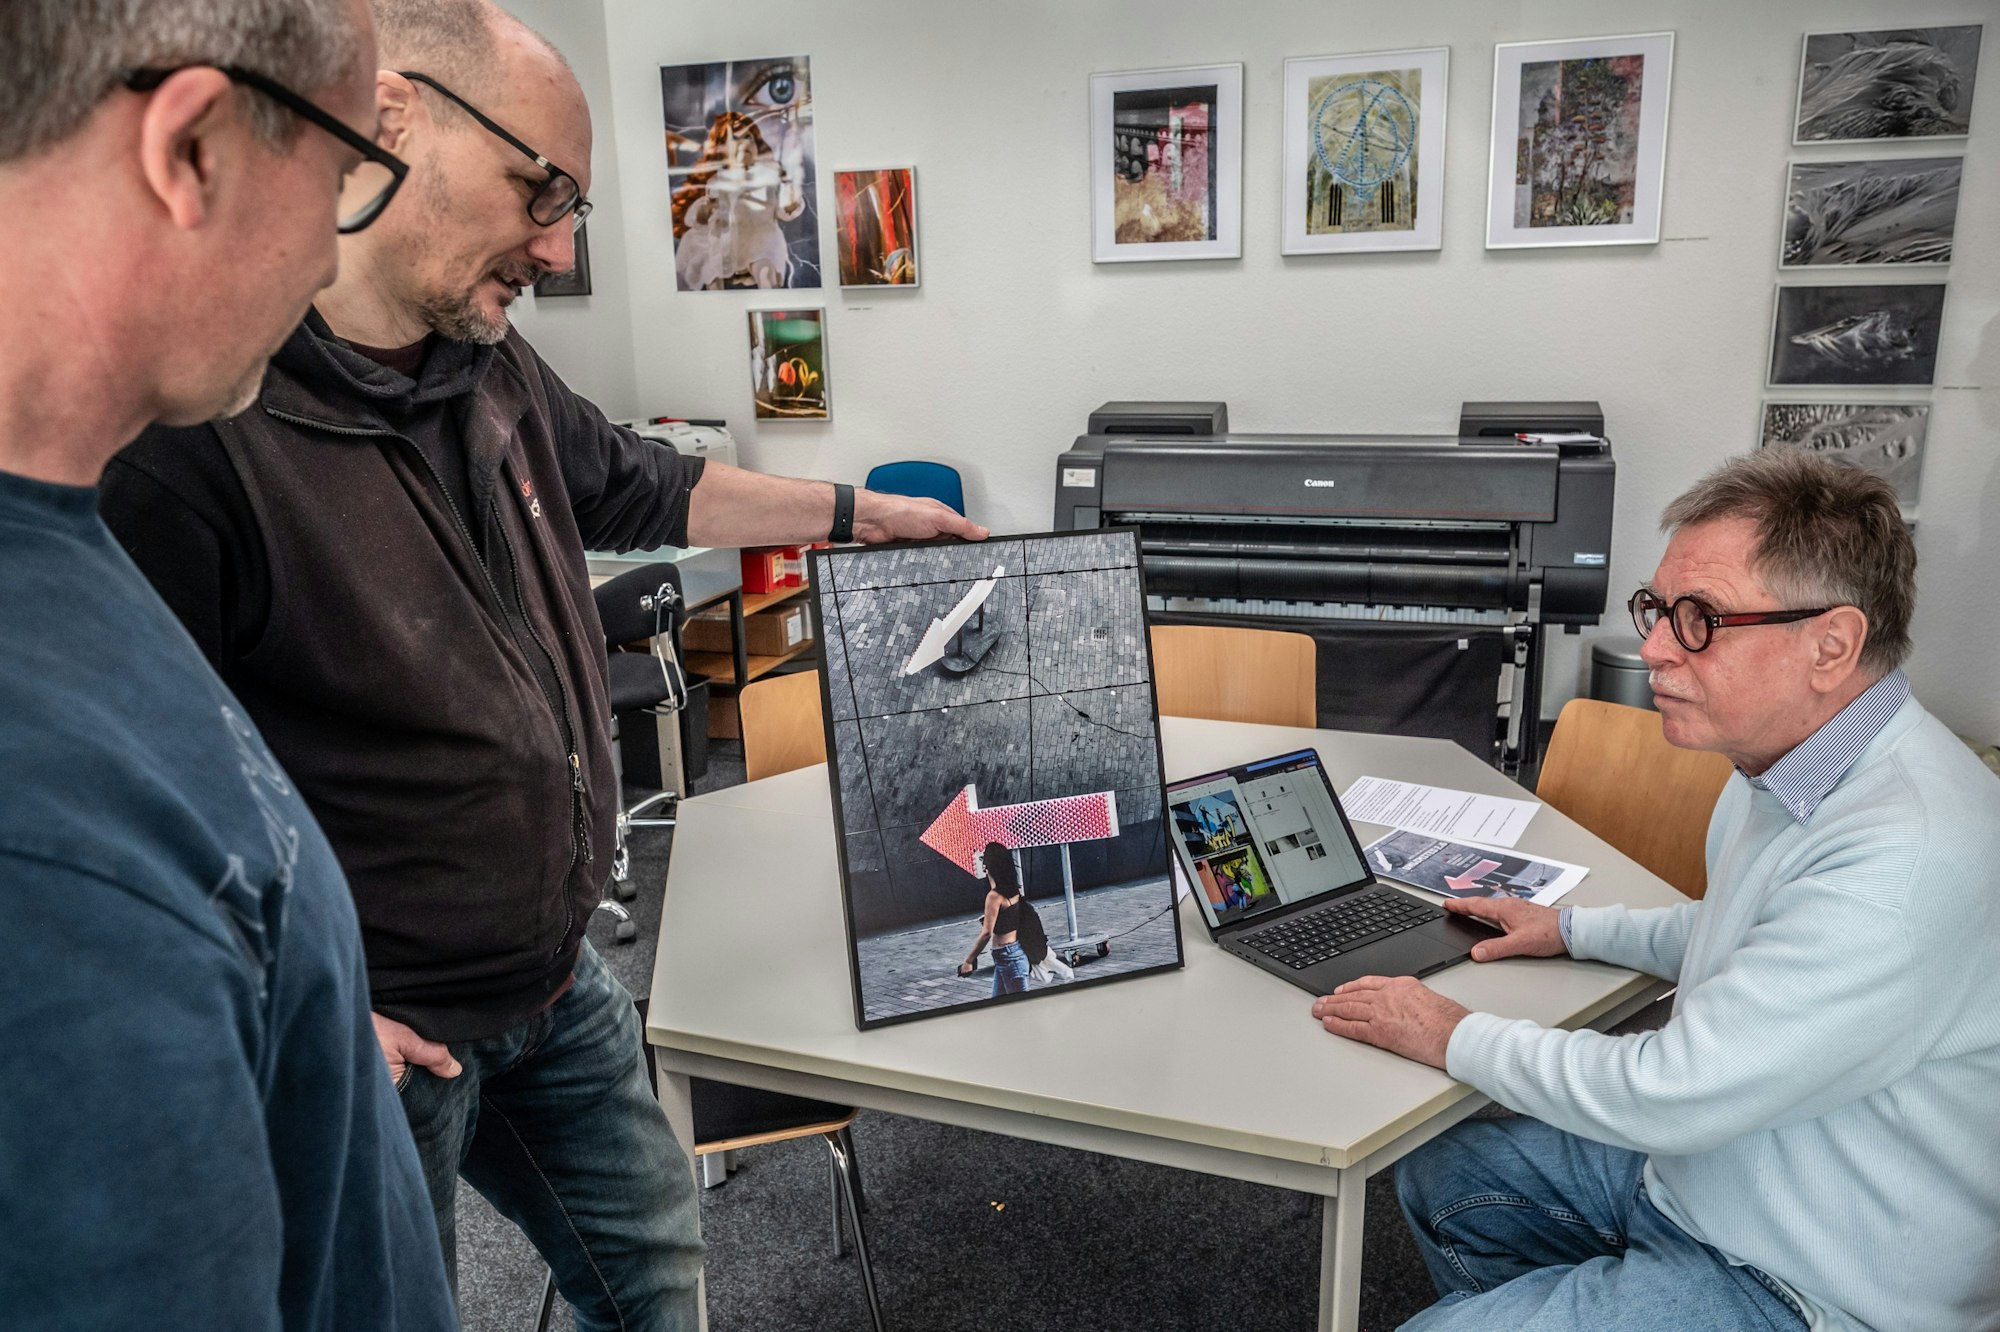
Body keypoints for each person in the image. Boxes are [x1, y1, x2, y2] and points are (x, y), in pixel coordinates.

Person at [96, 1, 983, 1325]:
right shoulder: (202, 423)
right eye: (542, 190)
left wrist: (869, 514)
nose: (562, 247)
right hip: (388, 1040)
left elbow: (645, 484)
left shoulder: (489, 358)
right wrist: (299, 1009)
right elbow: (121, 793)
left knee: (656, 1279)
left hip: (561, 983)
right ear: (396, 119)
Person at [1312, 449, 2000, 1331]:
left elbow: (1671, 1091)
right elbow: (1754, 932)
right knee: (1448, 1171)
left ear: (1832, 645)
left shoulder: (1904, 857)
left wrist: (1451, 1033)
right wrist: (1573, 928)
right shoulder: (1791, 764)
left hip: (1809, 1284)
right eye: (1658, 609)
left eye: (1700, 619)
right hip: (1718, 1178)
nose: (1653, 648)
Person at [0, 2, 455, 1329]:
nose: (327, 252)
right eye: (342, 174)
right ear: (192, 147)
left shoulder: (67, 541)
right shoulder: (43, 834)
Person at [959, 841, 1036, 995]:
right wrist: (993, 920)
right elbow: (1010, 919)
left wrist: (968, 961)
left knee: (1021, 1012)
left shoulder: (994, 897)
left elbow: (987, 934)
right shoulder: (1013, 890)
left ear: (988, 866)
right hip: (1009, 956)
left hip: (1009, 959)